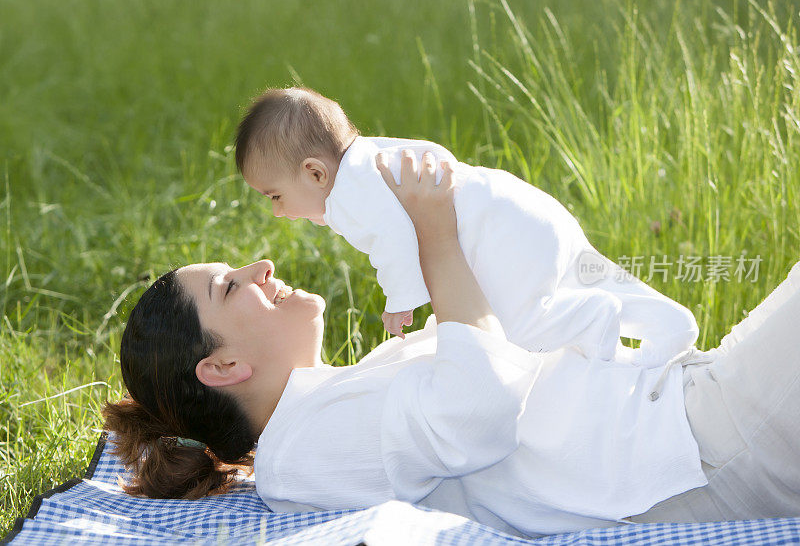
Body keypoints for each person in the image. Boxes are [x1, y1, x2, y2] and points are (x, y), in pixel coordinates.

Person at [103, 157, 800, 538]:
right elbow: (479, 408)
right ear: (223, 366)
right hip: (695, 452)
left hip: (687, 414)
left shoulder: (325, 407)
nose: (261, 268)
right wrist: (437, 239)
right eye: (231, 285)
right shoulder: (300, 451)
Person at [233, 86, 698, 370]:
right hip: (519, 210)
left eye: (275, 196)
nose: (278, 211)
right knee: (586, 271)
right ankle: (668, 322)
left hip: (502, 234)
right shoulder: (372, 156)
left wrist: (400, 301)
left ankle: (596, 322)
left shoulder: (354, 190)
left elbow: (393, 240)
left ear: (314, 173)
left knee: (519, 327)